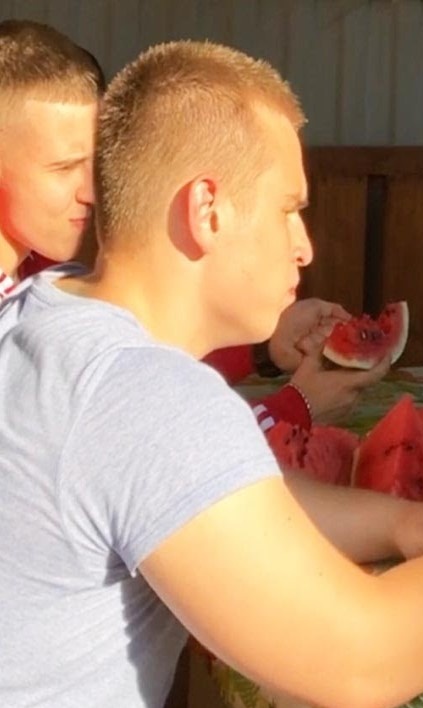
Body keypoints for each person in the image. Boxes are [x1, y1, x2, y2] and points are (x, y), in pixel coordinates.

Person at [0, 39, 423, 708]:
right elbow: (361, 660)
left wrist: (400, 523)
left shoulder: (43, 311)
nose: (305, 245)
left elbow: (222, 499)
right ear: (207, 210)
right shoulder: (144, 397)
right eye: (287, 209)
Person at [0, 19, 375, 428]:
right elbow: (146, 447)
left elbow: (144, 374)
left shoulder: (35, 277)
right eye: (65, 167)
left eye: (94, 162)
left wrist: (263, 350)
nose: (92, 191)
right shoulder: (38, 306)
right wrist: (296, 407)